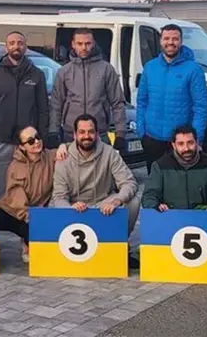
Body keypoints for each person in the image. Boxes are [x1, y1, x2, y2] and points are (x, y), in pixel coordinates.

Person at [51, 114, 141, 268]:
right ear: (75, 135)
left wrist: (117, 200)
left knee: (133, 201)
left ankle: (119, 245)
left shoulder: (109, 153)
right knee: (53, 206)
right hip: (75, 206)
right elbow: (59, 196)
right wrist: (70, 207)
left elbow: (129, 183)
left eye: (91, 132)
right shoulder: (64, 157)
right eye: (82, 132)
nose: (87, 136)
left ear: (97, 134)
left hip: (102, 204)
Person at [0, 31, 50, 203]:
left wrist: (40, 137)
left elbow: (43, 108)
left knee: (29, 184)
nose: (16, 46)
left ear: (25, 47)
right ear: (6, 47)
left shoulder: (37, 75)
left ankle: (23, 221)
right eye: (12, 43)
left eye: (20, 43)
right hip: (0, 140)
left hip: (28, 142)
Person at [136, 24, 207, 175]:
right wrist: (141, 130)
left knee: (178, 187)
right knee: (155, 185)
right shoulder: (150, 67)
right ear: (161, 41)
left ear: (181, 41)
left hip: (181, 142)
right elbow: (142, 101)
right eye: (166, 38)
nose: (170, 42)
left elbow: (201, 107)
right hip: (152, 138)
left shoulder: (193, 69)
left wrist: (196, 139)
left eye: (175, 39)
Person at [0, 126, 67, 262]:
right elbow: (17, 199)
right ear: (22, 147)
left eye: (38, 137)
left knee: (36, 235)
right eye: (31, 141)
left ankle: (27, 242)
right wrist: (30, 218)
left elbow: (73, 149)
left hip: (37, 211)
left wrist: (63, 146)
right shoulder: (15, 167)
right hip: (15, 211)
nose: (37, 142)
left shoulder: (50, 157)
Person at [48, 27, 127, 151]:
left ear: (93, 43)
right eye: (80, 44)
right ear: (73, 44)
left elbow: (117, 103)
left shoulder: (106, 69)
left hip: (99, 134)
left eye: (87, 43)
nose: (84, 48)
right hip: (71, 135)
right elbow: (56, 104)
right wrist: (53, 131)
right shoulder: (64, 72)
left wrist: (120, 133)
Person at [141, 125, 207, 212]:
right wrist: (155, 205)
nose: (186, 148)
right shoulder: (160, 166)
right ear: (174, 145)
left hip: (198, 217)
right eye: (181, 144)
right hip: (169, 216)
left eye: (190, 143)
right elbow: (149, 195)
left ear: (196, 142)